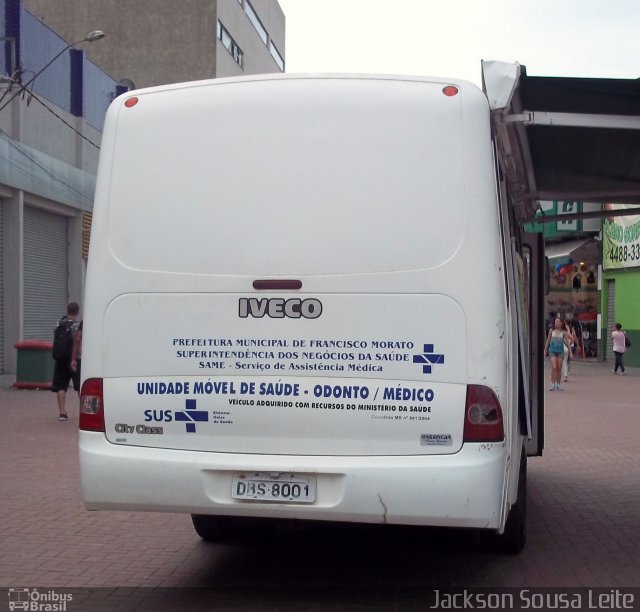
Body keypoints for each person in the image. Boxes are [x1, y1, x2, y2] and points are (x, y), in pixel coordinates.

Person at [51, 302, 82, 421]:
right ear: (77, 311)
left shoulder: (58, 325)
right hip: (76, 359)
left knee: (61, 386)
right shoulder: (78, 326)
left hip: (61, 359)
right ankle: (85, 412)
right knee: (80, 387)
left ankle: (62, 413)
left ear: (67, 310)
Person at [544, 318, 571, 391]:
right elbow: (548, 340)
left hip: (560, 352)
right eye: (555, 321)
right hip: (552, 351)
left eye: (558, 321)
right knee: (554, 367)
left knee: (559, 368)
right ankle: (552, 384)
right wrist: (545, 350)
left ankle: (558, 384)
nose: (556, 323)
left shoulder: (564, 332)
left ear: (561, 323)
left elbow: (568, 343)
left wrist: (570, 352)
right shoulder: (551, 331)